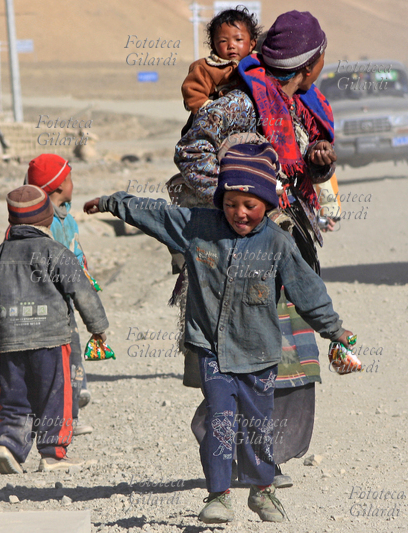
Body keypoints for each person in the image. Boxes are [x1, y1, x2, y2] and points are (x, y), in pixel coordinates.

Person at [84, 143, 353, 524]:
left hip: (259, 355)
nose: (239, 213)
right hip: (212, 350)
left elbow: (308, 291)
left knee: (258, 428)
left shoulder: (277, 243)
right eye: (230, 204)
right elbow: (155, 214)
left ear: (266, 204)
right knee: (221, 422)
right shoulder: (198, 227)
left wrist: (335, 331)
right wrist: (112, 203)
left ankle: (262, 489)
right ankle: (219, 495)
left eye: (249, 205)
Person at [175, 10, 339, 488]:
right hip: (239, 256)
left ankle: (261, 462)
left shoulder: (296, 106)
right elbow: (191, 151)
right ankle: (234, 457)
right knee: (248, 355)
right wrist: (238, 206)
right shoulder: (244, 101)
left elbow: (294, 171)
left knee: (287, 360)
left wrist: (319, 166)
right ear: (311, 63)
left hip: (281, 250)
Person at [0, 185, 108, 474]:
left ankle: (8, 445)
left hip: (11, 339)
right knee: (55, 394)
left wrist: (9, 320)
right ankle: (53, 453)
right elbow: (82, 290)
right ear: (47, 218)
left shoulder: (2, 252)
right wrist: (98, 327)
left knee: (15, 394)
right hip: (50, 339)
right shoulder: (54, 250)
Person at [0, 154, 96, 437]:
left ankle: (69, 417)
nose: (73, 184)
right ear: (58, 186)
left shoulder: (67, 218)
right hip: (41, 306)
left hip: (63, 304)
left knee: (71, 359)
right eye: (69, 179)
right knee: (22, 368)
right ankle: (3, 416)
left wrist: (85, 276)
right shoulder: (33, 223)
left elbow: (75, 252)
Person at [181, 7, 260, 115]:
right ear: (213, 46)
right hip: (216, 119)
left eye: (238, 39)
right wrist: (211, 111)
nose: (231, 45)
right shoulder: (206, 68)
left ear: (252, 44)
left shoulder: (259, 64)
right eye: (223, 41)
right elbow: (192, 91)